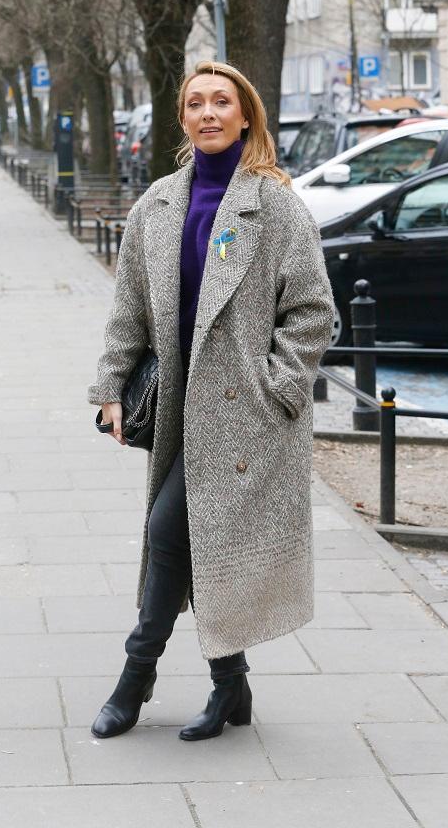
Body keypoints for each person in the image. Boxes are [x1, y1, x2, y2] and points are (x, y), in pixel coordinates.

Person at [87, 60, 335, 742]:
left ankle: (135, 677)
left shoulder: (275, 205)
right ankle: (231, 687)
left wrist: (279, 389)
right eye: (195, 103)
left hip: (248, 416)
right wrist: (109, 387)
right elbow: (129, 312)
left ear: (245, 115)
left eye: (222, 102)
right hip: (181, 411)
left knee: (169, 532)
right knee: (194, 539)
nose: (208, 113)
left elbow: (313, 313)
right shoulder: (158, 205)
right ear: (183, 118)